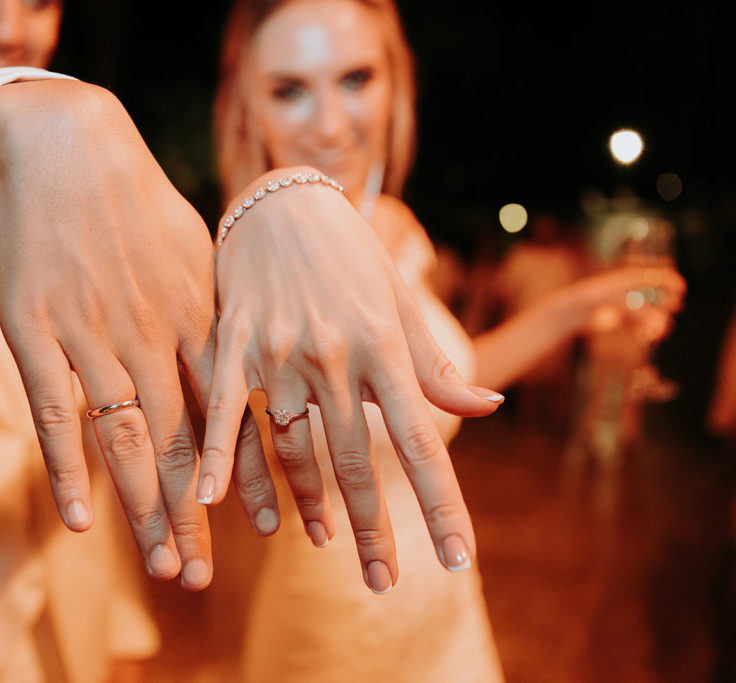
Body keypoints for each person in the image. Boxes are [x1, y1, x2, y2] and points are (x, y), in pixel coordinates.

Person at [0, 0, 506, 678]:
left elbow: (211, 301)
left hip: (75, 634)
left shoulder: (94, 150)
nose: (8, 22)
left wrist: (284, 195)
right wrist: (21, 121)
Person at [205, 0, 686, 680]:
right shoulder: (253, 260)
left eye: (356, 79)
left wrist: (575, 310)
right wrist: (274, 198)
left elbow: (437, 380)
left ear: (396, 83)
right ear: (246, 107)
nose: (333, 123)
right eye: (289, 90)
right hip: (336, 624)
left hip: (448, 601)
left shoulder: (398, 226)